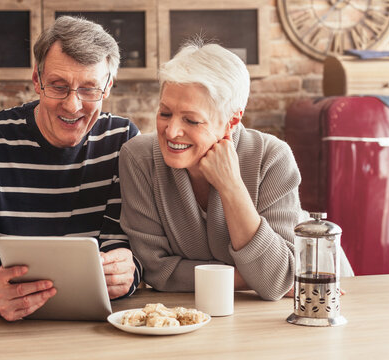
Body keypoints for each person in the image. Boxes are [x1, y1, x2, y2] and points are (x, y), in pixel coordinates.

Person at [0, 16, 142, 321]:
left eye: (89, 89)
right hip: (4, 325)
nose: (73, 106)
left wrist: (130, 270)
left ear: (108, 86)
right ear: (37, 81)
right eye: (59, 87)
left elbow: (128, 247)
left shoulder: (123, 140)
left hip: (101, 325)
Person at [119, 40, 353, 301]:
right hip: (210, 306)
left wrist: (231, 187)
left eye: (191, 120)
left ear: (232, 120)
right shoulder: (138, 158)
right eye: (165, 113)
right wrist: (255, 278)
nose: (172, 131)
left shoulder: (271, 157)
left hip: (319, 295)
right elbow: (156, 271)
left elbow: (279, 278)